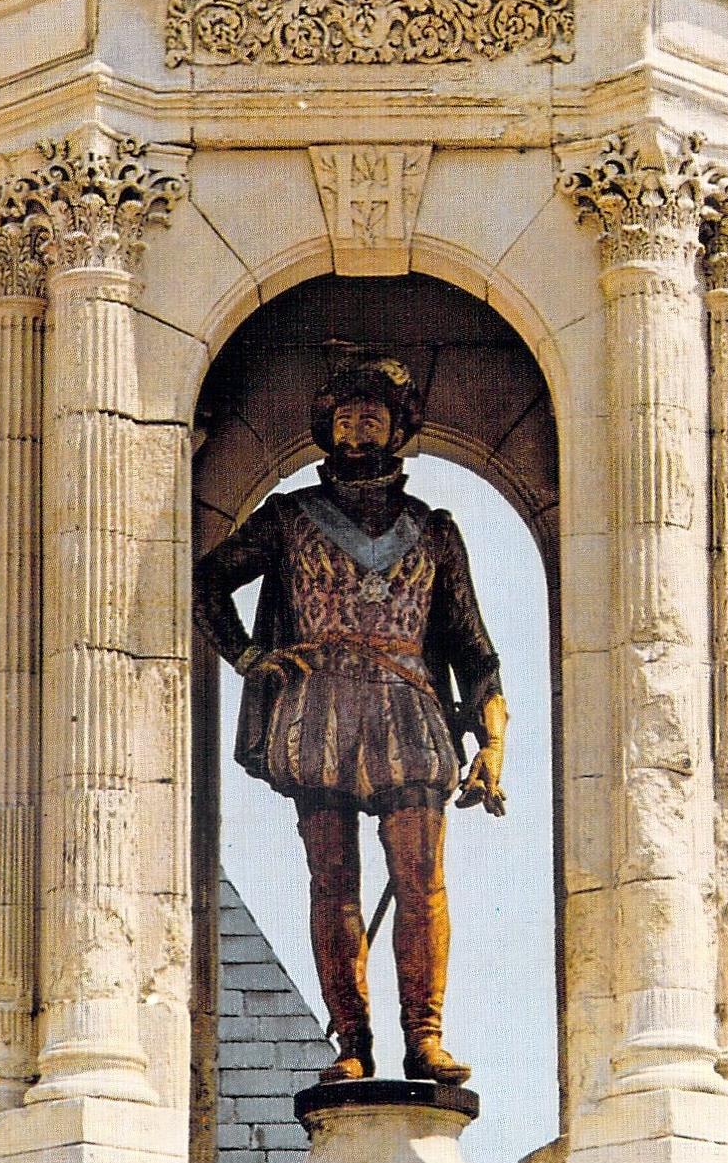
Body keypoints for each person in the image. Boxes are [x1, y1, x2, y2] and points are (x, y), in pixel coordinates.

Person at [193, 356, 508, 1086]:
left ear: (399, 428)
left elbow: (474, 647)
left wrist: (493, 741)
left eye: (372, 414)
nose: (357, 426)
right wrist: (246, 657)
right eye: (344, 415)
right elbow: (207, 579)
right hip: (320, 707)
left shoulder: (433, 532)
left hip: (408, 707)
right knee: (332, 881)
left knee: (422, 879)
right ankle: (354, 1044)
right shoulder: (289, 518)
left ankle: (423, 1037)